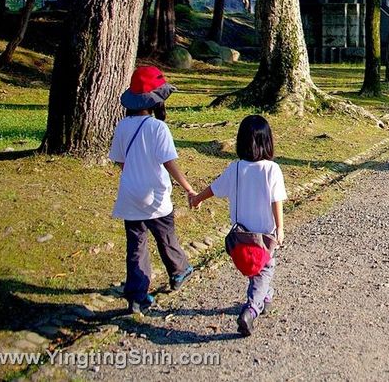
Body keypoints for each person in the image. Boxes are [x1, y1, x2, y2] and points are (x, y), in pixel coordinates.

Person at [110, 66, 196, 315]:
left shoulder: (122, 126)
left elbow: (120, 160)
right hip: (156, 197)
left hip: (129, 195)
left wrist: (133, 174)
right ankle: (179, 272)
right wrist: (189, 189)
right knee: (165, 236)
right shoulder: (158, 129)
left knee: (136, 244)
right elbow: (170, 163)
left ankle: (137, 297)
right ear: (156, 100)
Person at [191, 115, 287, 336]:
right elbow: (277, 200)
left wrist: (197, 199)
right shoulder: (271, 169)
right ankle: (252, 309)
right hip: (264, 237)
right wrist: (280, 228)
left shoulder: (234, 169)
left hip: (239, 239)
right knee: (265, 270)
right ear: (268, 142)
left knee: (259, 272)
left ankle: (267, 295)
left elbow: (214, 189)